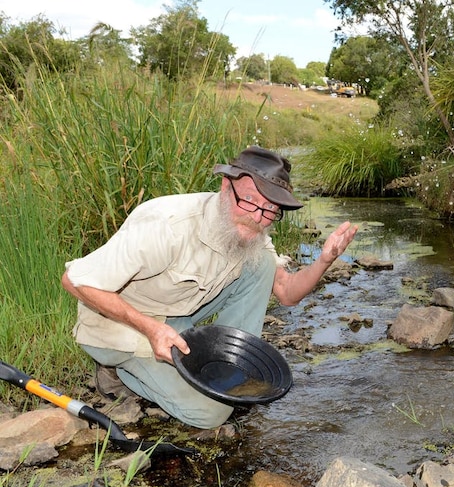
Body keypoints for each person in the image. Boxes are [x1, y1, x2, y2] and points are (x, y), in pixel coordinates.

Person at [61, 146, 358, 429]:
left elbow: (286, 292)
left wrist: (324, 260)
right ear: (226, 187)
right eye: (251, 201)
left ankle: (229, 362)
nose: (257, 217)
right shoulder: (168, 225)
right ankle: (117, 372)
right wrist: (151, 329)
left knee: (262, 265)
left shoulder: (250, 226)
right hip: (118, 327)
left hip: (175, 317)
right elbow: (75, 280)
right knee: (212, 411)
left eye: (270, 210)